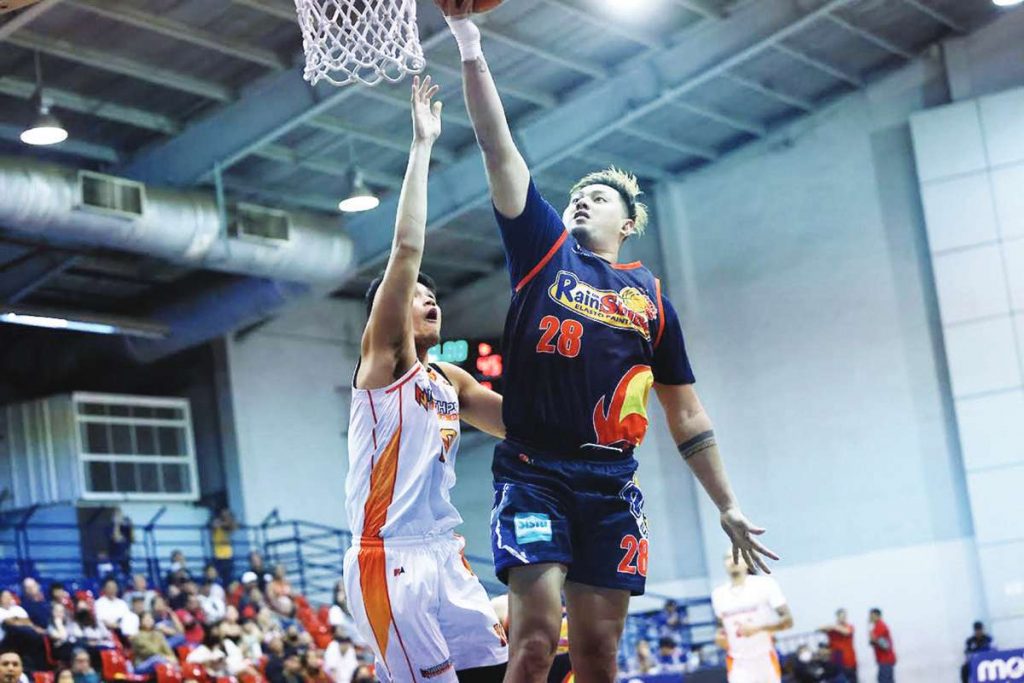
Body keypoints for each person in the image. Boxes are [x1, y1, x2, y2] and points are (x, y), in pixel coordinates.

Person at [434, 3, 778, 679]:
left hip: (610, 483)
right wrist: (467, 39)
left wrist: (728, 503)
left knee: (599, 655)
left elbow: (687, 415)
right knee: (534, 640)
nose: (583, 199)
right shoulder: (542, 248)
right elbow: (496, 142)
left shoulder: (651, 301)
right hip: (533, 473)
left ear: (629, 222)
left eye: (599, 195)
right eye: (578, 194)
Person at [342, 75, 508, 682]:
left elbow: (523, 425)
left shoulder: (451, 380)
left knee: (500, 670)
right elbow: (406, 248)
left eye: (433, 295)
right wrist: (422, 145)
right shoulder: (383, 362)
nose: (428, 299)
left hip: (445, 551)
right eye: (415, 295)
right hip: (389, 558)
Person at [712, 553, 793, 683]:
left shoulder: (765, 585)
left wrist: (758, 629)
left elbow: (788, 621)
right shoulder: (718, 595)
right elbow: (721, 628)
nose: (732, 560)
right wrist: (719, 637)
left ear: (747, 561)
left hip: (764, 658)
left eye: (737, 555)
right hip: (738, 662)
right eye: (727, 558)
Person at [0, 589, 46, 671]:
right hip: (5, 643)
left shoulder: (18, 609)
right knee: (16, 630)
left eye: (10, 596)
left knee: (37, 637)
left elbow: (28, 622)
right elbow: (9, 623)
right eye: (6, 596)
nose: (9, 598)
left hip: (25, 643)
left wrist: (16, 620)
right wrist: (20, 621)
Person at [822, 608, 857, 681]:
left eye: (844, 616)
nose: (842, 618)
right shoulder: (832, 629)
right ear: (837, 617)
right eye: (840, 616)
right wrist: (831, 627)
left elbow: (846, 632)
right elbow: (820, 629)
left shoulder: (849, 627)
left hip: (849, 661)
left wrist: (834, 627)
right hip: (837, 661)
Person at [868, 609, 896, 683]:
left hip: (885, 660)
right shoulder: (877, 627)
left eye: (871, 616)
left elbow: (885, 645)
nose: (870, 618)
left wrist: (874, 638)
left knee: (884, 680)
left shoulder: (880, 626)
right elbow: (873, 642)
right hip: (884, 660)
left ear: (877, 616)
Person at [210, 509, 237, 582]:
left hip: (228, 556)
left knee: (229, 578)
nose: (225, 516)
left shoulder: (230, 525)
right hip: (218, 556)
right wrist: (224, 522)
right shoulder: (216, 523)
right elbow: (214, 525)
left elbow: (233, 527)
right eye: (224, 515)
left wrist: (228, 521)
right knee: (218, 578)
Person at [107, 508, 134, 576]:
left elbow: (132, 539)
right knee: (115, 574)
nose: (119, 517)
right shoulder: (109, 528)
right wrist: (117, 524)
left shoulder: (125, 528)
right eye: (117, 515)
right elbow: (117, 538)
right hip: (114, 556)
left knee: (127, 573)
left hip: (125, 556)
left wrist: (131, 525)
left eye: (120, 515)